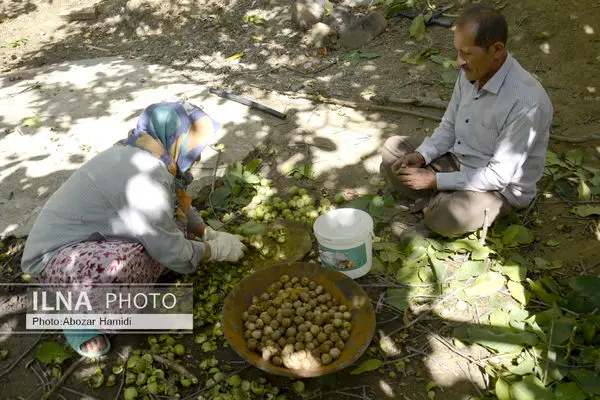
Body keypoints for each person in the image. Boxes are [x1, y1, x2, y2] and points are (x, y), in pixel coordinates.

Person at [21, 102, 246, 357]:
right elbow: (164, 241)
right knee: (129, 262)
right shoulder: (146, 176)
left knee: (162, 235)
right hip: (54, 260)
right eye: (194, 148)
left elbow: (171, 207)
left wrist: (204, 231)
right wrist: (213, 251)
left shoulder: (142, 152)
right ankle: (78, 314)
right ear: (175, 140)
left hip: (86, 241)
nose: (197, 157)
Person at [380, 4, 553, 238]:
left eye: (467, 53)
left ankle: (438, 206)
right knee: (393, 151)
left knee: (449, 215)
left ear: (497, 50)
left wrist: (434, 180)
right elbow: (449, 126)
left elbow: (499, 176)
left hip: (498, 189)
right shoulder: (470, 73)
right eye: (458, 52)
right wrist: (422, 155)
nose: (458, 61)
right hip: (459, 160)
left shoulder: (526, 103)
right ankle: (438, 200)